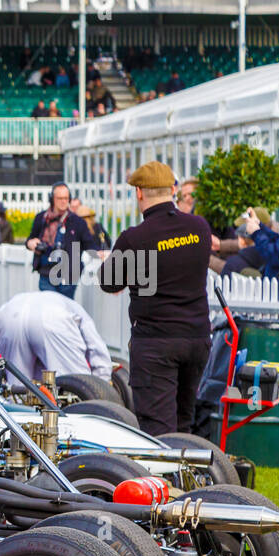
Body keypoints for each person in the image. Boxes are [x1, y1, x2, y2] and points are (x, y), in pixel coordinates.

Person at [100, 161, 213, 436]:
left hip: (156, 341)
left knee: (158, 431)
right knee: (184, 423)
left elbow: (109, 282)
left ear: (139, 193)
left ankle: (164, 478)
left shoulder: (135, 238)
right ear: (172, 190)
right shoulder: (199, 227)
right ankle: (190, 476)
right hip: (196, 337)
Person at [0, 291, 113, 381]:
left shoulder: (64, 304)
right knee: (75, 386)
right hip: (51, 319)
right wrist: (102, 385)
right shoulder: (77, 310)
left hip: (9, 316)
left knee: (16, 391)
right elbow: (97, 349)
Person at [26, 182, 98, 299]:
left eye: (66, 198)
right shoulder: (41, 218)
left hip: (69, 276)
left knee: (64, 310)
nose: (63, 201)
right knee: (50, 309)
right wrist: (31, 243)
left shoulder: (77, 222)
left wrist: (101, 253)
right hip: (46, 273)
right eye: (59, 198)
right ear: (52, 199)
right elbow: (30, 239)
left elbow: (89, 244)